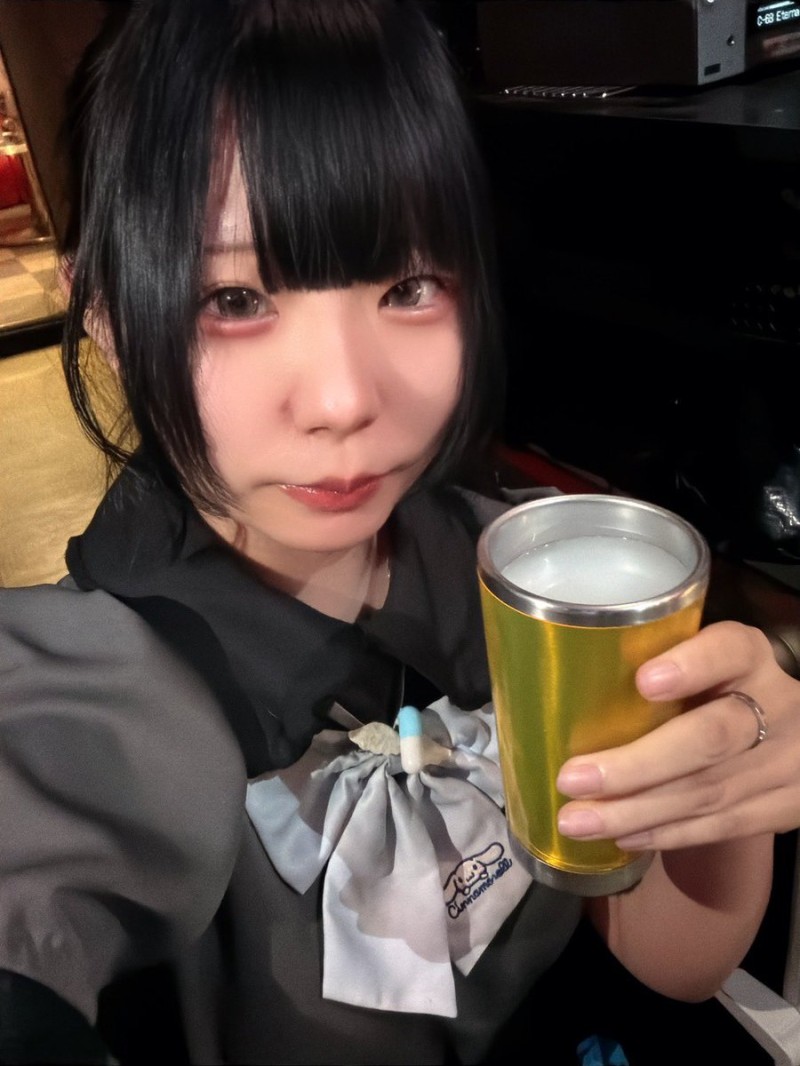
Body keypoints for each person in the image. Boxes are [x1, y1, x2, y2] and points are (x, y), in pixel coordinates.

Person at [0, 1, 798, 1063]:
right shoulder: (86, 694)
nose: (344, 398)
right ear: (102, 314)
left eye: (409, 286)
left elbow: (676, 959)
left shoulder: (531, 573)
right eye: (233, 298)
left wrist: (728, 791)